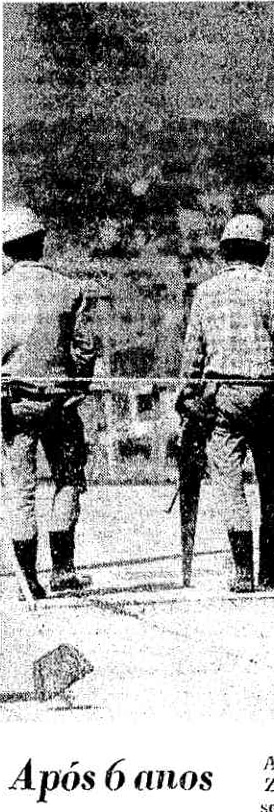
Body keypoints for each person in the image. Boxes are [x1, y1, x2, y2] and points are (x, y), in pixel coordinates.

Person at [178, 214, 274, 593]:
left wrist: (185, 399)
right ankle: (269, 553)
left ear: (225, 251)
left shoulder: (206, 293)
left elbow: (193, 356)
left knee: (228, 481)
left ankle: (242, 569)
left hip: (224, 398)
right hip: (269, 396)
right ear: (264, 252)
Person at [1, 206, 96, 597]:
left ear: (7, 249)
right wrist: (78, 385)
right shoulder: (69, 288)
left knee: (20, 489)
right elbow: (86, 348)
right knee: (69, 479)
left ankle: (28, 580)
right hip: (60, 402)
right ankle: (62, 569)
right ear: (40, 243)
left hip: (12, 401)